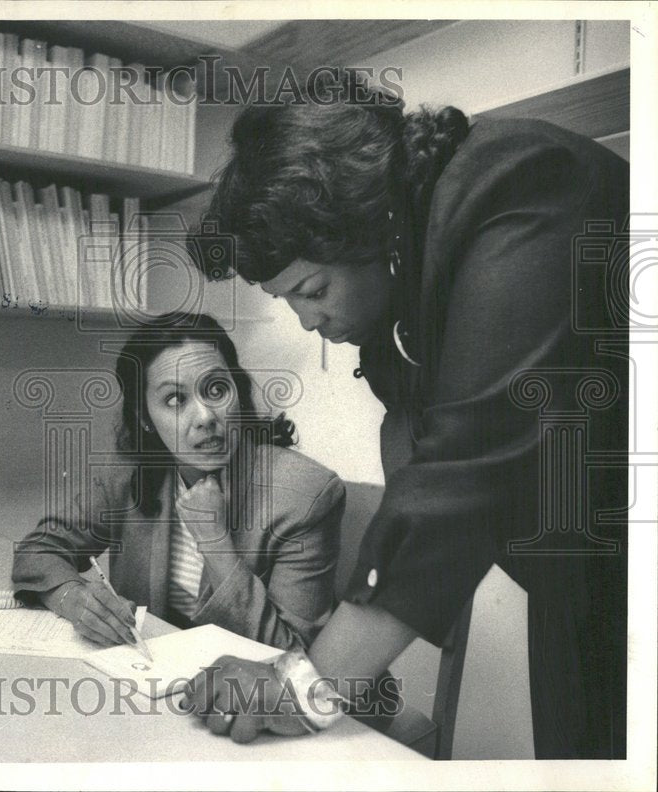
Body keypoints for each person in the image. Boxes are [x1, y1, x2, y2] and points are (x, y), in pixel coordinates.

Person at [180, 73, 628, 758]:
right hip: (580, 579)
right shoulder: (400, 308)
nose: (309, 319)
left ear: (373, 227)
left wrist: (300, 690)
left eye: (313, 289)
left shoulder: (525, 187)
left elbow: (458, 481)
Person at [11, 312, 346, 651]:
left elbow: (294, 658)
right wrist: (73, 598)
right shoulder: (126, 474)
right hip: (152, 682)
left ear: (238, 392)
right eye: (175, 399)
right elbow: (39, 548)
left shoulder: (306, 496)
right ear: (144, 417)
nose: (205, 417)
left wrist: (214, 542)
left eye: (216, 389)